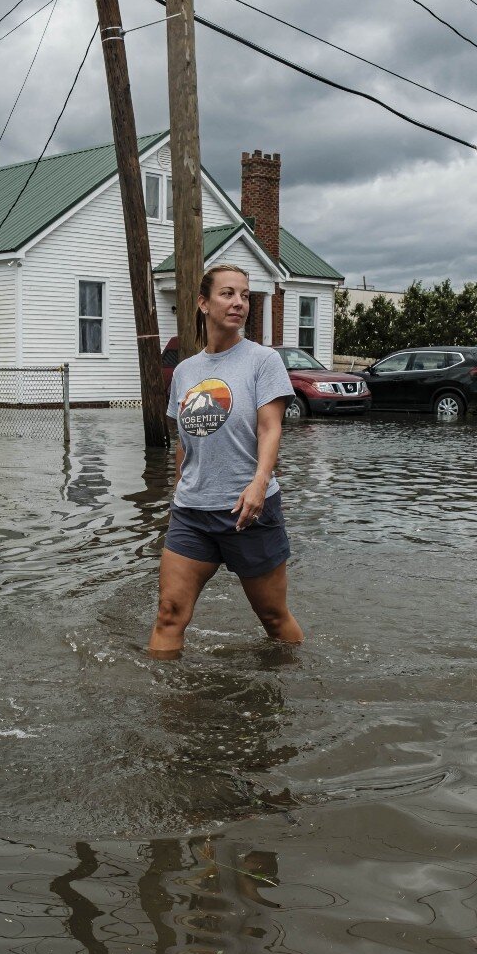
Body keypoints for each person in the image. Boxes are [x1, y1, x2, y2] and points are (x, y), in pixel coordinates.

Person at [148, 263, 304, 658]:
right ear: (203, 303)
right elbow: (186, 440)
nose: (238, 303)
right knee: (169, 614)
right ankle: (164, 710)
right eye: (227, 294)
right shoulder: (185, 371)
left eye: (244, 296)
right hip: (192, 512)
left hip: (247, 509)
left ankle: (294, 692)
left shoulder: (262, 361)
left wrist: (258, 482)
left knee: (272, 617)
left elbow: (270, 429)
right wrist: (177, 491)